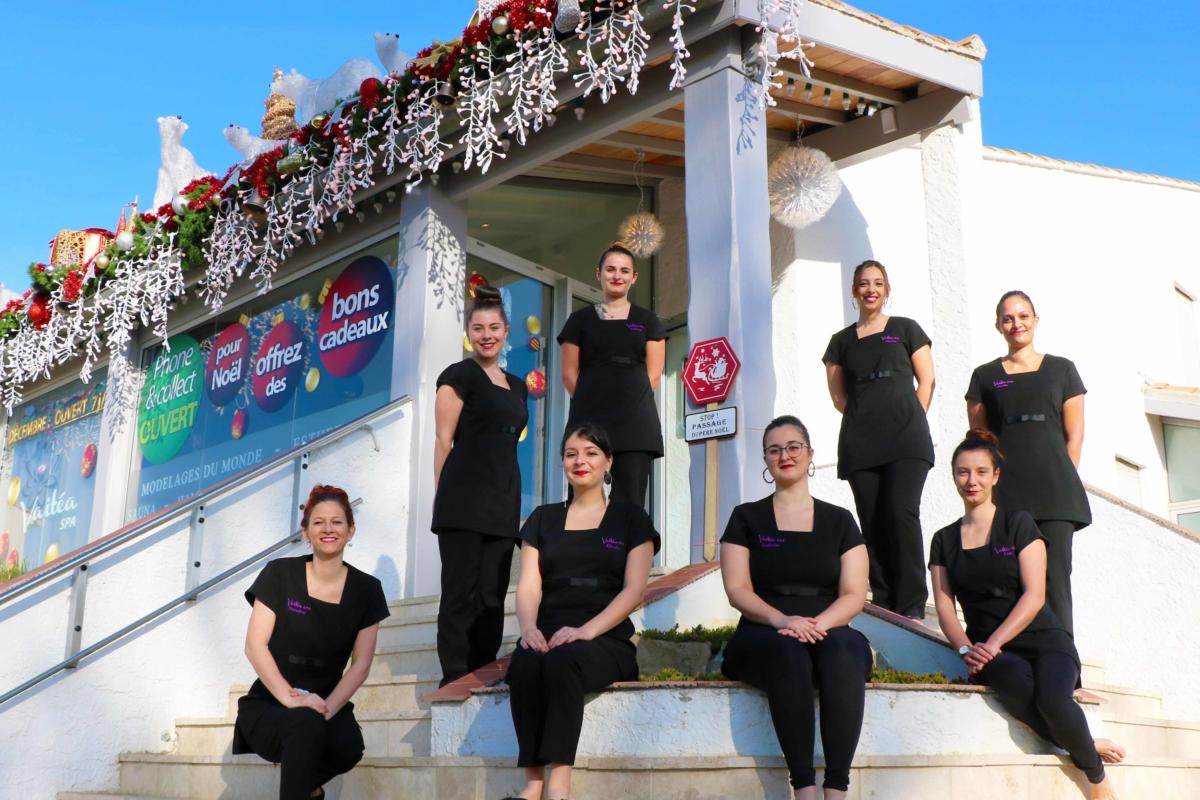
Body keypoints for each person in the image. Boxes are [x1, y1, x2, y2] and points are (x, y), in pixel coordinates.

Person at [929, 430, 1124, 800]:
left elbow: (1035, 595)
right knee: (1015, 685)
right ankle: (1084, 741)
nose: (972, 481)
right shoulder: (943, 539)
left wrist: (992, 643)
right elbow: (943, 606)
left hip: (1044, 639)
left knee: (1053, 700)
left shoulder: (1018, 524)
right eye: (962, 472)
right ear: (953, 476)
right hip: (995, 654)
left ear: (996, 476)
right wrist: (964, 650)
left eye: (981, 472)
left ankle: (1096, 780)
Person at [502, 423, 660, 800]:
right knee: (524, 663)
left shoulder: (631, 519)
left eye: (591, 453)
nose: (580, 461)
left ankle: (559, 781)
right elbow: (529, 584)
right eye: (571, 454)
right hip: (550, 629)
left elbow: (634, 590)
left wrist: (588, 630)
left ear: (608, 462)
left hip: (606, 638)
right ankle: (532, 782)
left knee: (562, 661)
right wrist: (527, 628)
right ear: (562, 464)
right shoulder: (542, 518)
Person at [720, 415, 871, 800]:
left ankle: (836, 787)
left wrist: (816, 624)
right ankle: (803, 786)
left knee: (847, 649)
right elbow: (737, 589)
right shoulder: (745, 518)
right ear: (766, 461)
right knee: (788, 651)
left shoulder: (840, 521)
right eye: (774, 449)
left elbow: (854, 593)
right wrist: (783, 620)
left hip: (828, 625)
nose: (784, 455)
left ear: (810, 455)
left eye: (793, 447)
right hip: (763, 630)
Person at [233, 485, 389, 800]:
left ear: (351, 530)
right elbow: (255, 645)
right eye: (318, 522)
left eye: (337, 522)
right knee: (303, 722)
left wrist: (327, 708)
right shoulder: (280, 574)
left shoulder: (367, 590)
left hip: (325, 702)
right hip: (271, 702)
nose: (328, 529)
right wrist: (291, 699)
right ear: (305, 531)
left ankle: (308, 789)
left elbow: (360, 665)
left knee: (348, 747)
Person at [966, 290, 1090, 636]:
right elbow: (980, 443)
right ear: (998, 326)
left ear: (1035, 320)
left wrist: (1064, 480)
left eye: (1023, 316)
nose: (1016, 323)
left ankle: (1065, 670)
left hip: (1055, 494)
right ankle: (1017, 659)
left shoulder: (1062, 369)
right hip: (1006, 496)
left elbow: (1074, 436)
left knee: (1055, 580)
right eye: (1008, 318)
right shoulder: (985, 376)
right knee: (1009, 579)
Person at [822, 260, 935, 619]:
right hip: (861, 443)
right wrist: (868, 420)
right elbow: (839, 398)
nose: (871, 289)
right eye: (864, 284)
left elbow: (927, 381)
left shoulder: (905, 329)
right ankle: (884, 599)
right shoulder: (840, 342)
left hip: (907, 440)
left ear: (886, 290)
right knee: (871, 519)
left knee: (901, 512)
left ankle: (912, 602)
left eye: (878, 283)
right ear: (854, 291)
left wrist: (909, 418)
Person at [431, 285, 529, 687]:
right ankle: (455, 673)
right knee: (461, 592)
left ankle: (484, 668)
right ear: (468, 333)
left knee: (493, 592)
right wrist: (443, 499)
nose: (486, 334)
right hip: (463, 499)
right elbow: (442, 441)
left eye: (494, 327)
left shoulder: (518, 386)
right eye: (478, 327)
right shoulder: (459, 375)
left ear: (506, 331)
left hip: (502, 499)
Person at [558, 243, 667, 508]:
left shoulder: (648, 320)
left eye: (624, 270)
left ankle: (628, 549)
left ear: (634, 277)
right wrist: (591, 399)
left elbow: (653, 374)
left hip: (635, 422)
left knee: (630, 501)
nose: (617, 275)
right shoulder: (579, 320)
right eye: (610, 269)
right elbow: (569, 374)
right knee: (583, 497)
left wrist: (629, 401)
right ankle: (583, 548)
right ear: (599, 274)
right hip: (589, 419)